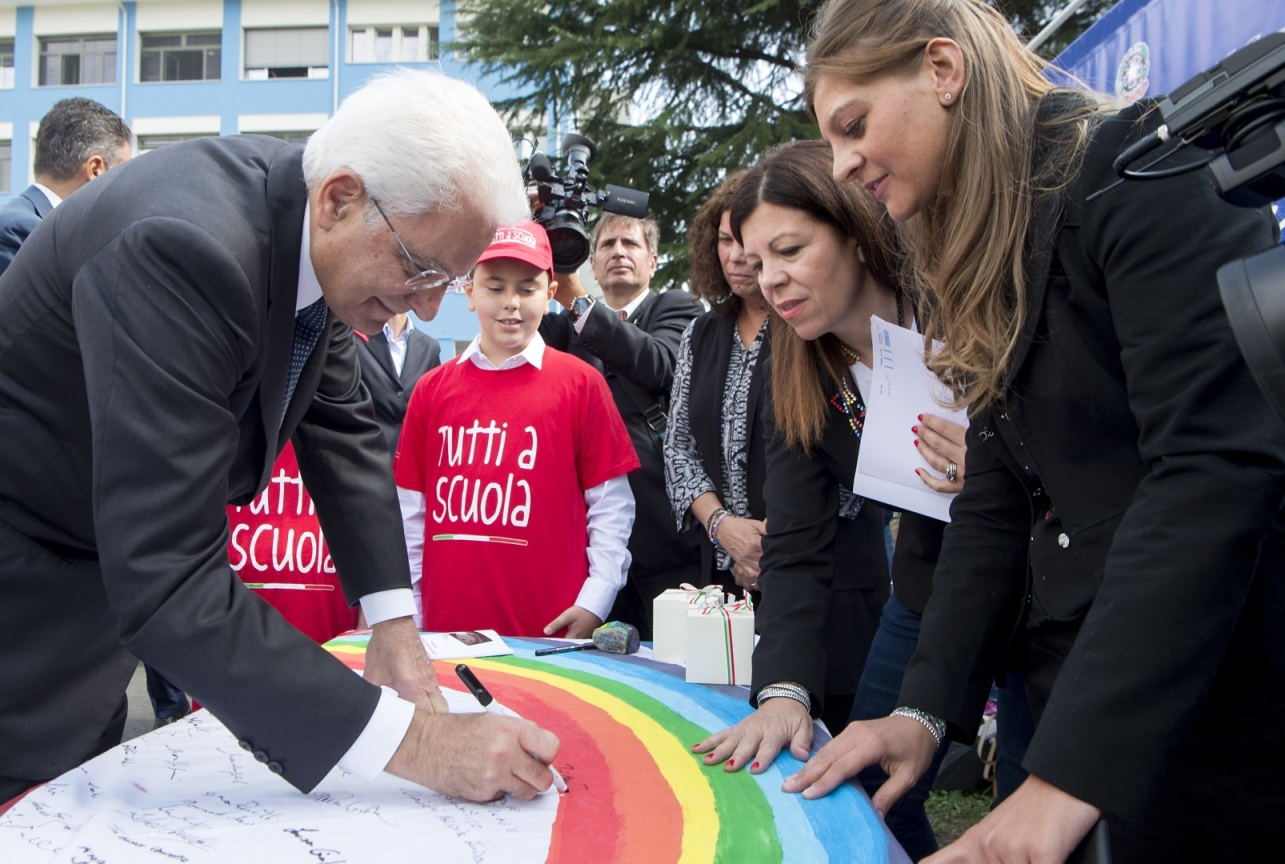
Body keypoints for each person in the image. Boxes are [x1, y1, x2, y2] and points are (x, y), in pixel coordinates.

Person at [784, 1, 1285, 861]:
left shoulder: (1141, 175)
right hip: (1059, 695)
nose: (843, 164)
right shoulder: (977, 250)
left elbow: (1209, 471)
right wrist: (922, 711)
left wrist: (1067, 782)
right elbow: (996, 496)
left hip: (1207, 706)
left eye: (854, 124)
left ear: (942, 70)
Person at [0, 68, 561, 807]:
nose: (424, 311)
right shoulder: (182, 248)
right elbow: (168, 576)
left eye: (448, 282)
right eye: (419, 268)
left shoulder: (313, 228)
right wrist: (416, 743)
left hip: (91, 594)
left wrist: (393, 626)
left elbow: (342, 425)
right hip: (25, 598)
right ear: (340, 199)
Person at [394, 222, 639, 639]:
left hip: (549, 632)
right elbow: (410, 513)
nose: (511, 303)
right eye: (494, 287)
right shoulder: (431, 391)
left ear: (550, 296)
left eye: (527, 289)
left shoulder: (582, 385)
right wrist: (412, 610)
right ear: (469, 293)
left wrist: (594, 600)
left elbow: (611, 506)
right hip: (443, 630)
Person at [540, 215, 703, 637]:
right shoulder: (562, 329)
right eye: (607, 244)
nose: (618, 252)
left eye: (630, 244)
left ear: (652, 261)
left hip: (665, 537)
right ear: (592, 264)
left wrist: (576, 297)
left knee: (676, 673)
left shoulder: (676, 308)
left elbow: (659, 365)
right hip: (589, 543)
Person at [664, 171, 771, 597]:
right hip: (723, 573)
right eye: (725, 240)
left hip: (819, 571)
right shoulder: (701, 333)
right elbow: (677, 449)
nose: (735, 256)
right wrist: (723, 526)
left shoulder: (812, 327)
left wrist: (764, 547)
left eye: (746, 241)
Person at [0, 97, 131, 274]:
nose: (125, 187)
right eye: (121, 171)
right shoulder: (22, 231)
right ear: (95, 170)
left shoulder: (41, 226)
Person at [354, 311, 442, 456]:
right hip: (366, 456)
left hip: (411, 457)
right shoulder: (356, 339)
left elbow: (431, 409)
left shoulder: (429, 348)